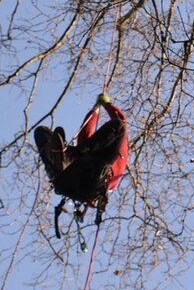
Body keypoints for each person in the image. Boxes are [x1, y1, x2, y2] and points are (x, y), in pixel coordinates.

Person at [35, 94, 128, 234]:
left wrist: (98, 108)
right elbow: (117, 121)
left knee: (118, 127)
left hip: (89, 180)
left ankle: (58, 167)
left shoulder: (94, 151)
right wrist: (104, 106)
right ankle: (59, 166)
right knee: (42, 132)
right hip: (76, 180)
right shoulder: (92, 150)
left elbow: (115, 122)